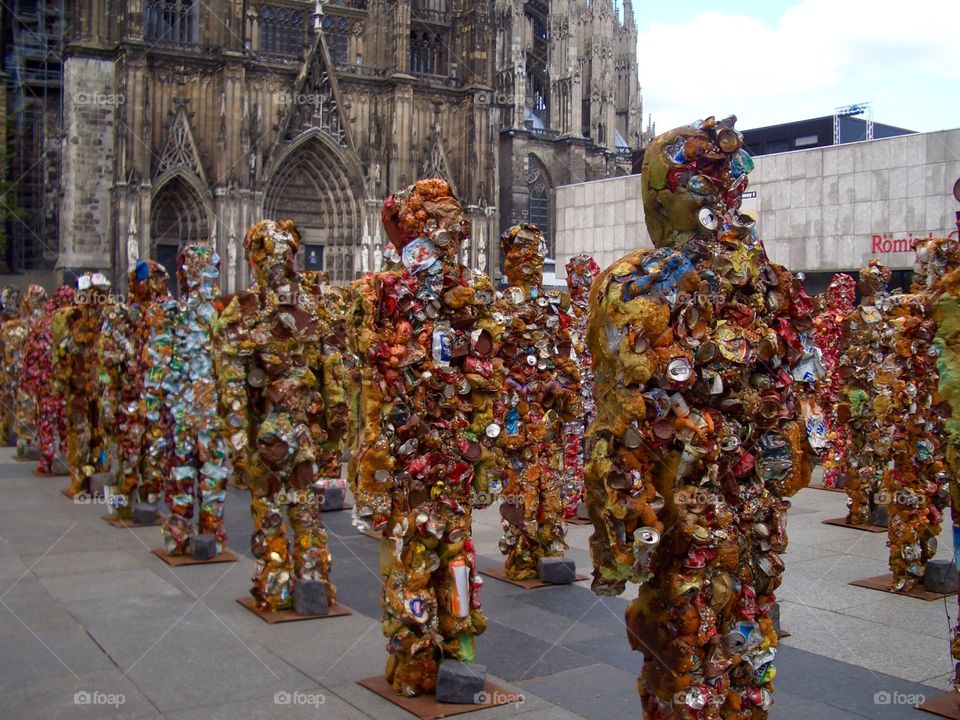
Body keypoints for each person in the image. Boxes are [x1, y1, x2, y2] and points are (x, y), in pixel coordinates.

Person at [584, 117, 813, 718]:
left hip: (746, 506)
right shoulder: (642, 285)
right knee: (687, 644)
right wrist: (627, 533)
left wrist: (793, 454)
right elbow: (622, 419)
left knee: (744, 637)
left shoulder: (766, 283)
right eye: (700, 179)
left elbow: (794, 390)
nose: (718, 193)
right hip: (688, 511)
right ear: (664, 193)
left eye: (724, 178)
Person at [353, 179, 502, 696]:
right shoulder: (382, 293)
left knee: (458, 551)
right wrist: (374, 467)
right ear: (415, 226)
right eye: (437, 219)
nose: (453, 228)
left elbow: (487, 377)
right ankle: (415, 651)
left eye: (455, 219)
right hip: (408, 450)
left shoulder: (472, 294)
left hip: (455, 450)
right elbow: (373, 384)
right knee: (415, 552)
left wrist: (483, 453)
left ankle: (459, 643)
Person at [217, 220, 335, 611]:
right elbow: (231, 384)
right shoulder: (306, 304)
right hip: (284, 427)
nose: (277, 262)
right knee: (292, 505)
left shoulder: (257, 310)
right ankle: (300, 576)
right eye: (273, 254)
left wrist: (237, 440)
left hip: (281, 430)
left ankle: (287, 577)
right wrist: (336, 431)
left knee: (284, 505)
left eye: (279, 254)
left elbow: (330, 373)